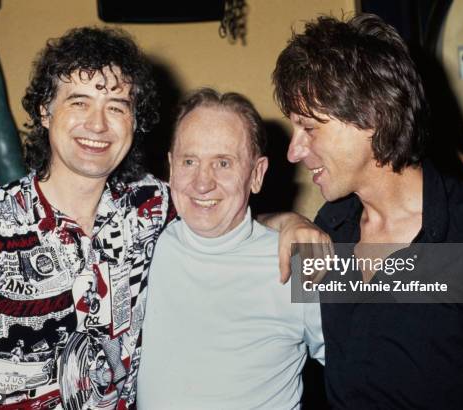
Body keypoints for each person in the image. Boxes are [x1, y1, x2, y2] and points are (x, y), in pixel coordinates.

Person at [0, 26, 325, 410]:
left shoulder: (148, 210)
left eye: (115, 106)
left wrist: (294, 224)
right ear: (44, 111)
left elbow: (380, 298)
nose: (98, 125)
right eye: (79, 102)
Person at [272, 13, 463, 409]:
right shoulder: (331, 228)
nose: (293, 151)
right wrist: (286, 220)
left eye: (309, 128)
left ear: (373, 117)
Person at [137, 89, 324, 409]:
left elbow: (367, 364)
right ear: (170, 167)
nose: (202, 183)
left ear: (256, 174)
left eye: (223, 163)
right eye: (189, 161)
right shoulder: (143, 246)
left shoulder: (298, 260)